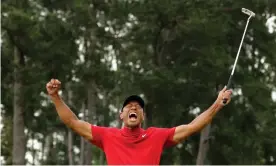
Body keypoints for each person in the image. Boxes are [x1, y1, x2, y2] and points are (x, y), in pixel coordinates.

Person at [46, 78, 232, 165]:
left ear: (142, 116)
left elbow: (192, 127)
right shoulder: (107, 135)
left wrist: (217, 104)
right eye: (129, 106)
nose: (133, 108)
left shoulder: (157, 136)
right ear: (121, 115)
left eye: (138, 107)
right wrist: (55, 97)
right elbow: (72, 121)